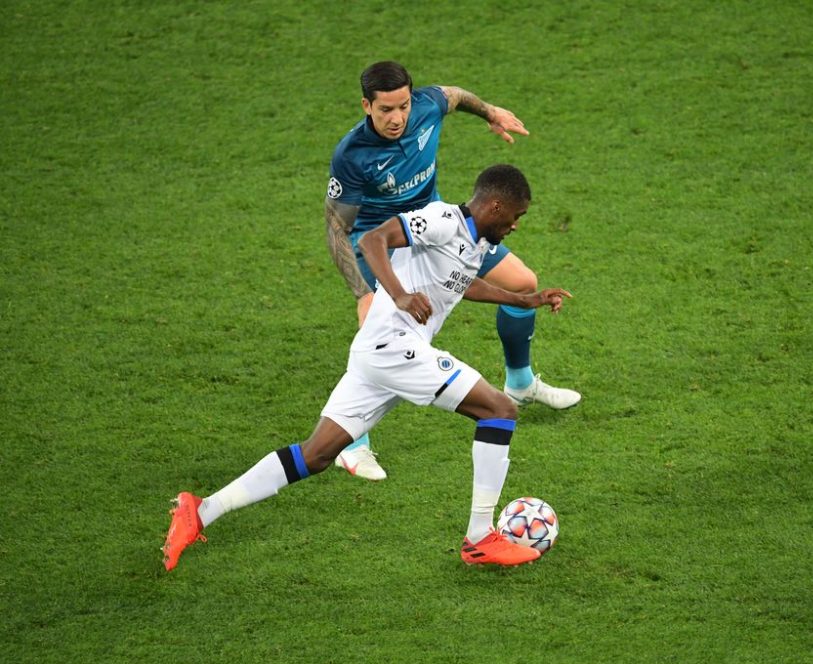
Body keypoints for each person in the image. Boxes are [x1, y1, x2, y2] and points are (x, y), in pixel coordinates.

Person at [163, 164, 570, 570]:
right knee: (500, 410)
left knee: (316, 455)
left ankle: (200, 511)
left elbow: (460, 282)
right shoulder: (441, 220)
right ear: (496, 205)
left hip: (375, 355)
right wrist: (400, 295)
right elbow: (376, 240)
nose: (516, 226)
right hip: (396, 348)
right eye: (516, 216)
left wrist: (522, 300)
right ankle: (480, 538)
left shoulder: (476, 239)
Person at [325, 61, 580, 481]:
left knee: (524, 283)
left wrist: (492, 112)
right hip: (382, 244)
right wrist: (361, 291)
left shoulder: (425, 106)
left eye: (403, 106)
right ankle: (352, 444)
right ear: (366, 106)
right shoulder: (352, 155)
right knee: (375, 327)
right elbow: (337, 228)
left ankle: (519, 380)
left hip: (439, 229)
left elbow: (455, 95)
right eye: (386, 109)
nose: (397, 118)